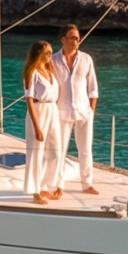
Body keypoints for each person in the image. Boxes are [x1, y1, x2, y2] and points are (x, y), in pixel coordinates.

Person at [53, 24, 101, 195]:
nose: (77, 41)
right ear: (63, 40)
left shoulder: (86, 59)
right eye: (73, 38)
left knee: (85, 149)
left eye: (78, 38)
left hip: (84, 111)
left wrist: (92, 110)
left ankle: (87, 183)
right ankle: (58, 185)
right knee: (59, 150)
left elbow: (92, 87)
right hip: (61, 111)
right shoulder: (53, 60)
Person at [22, 41, 63, 203]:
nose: (50, 56)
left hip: (52, 110)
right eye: (47, 53)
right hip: (39, 111)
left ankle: (46, 185)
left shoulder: (49, 71)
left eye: (51, 52)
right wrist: (37, 126)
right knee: (36, 152)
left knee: (55, 150)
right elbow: (29, 100)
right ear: (38, 53)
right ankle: (35, 190)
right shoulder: (32, 72)